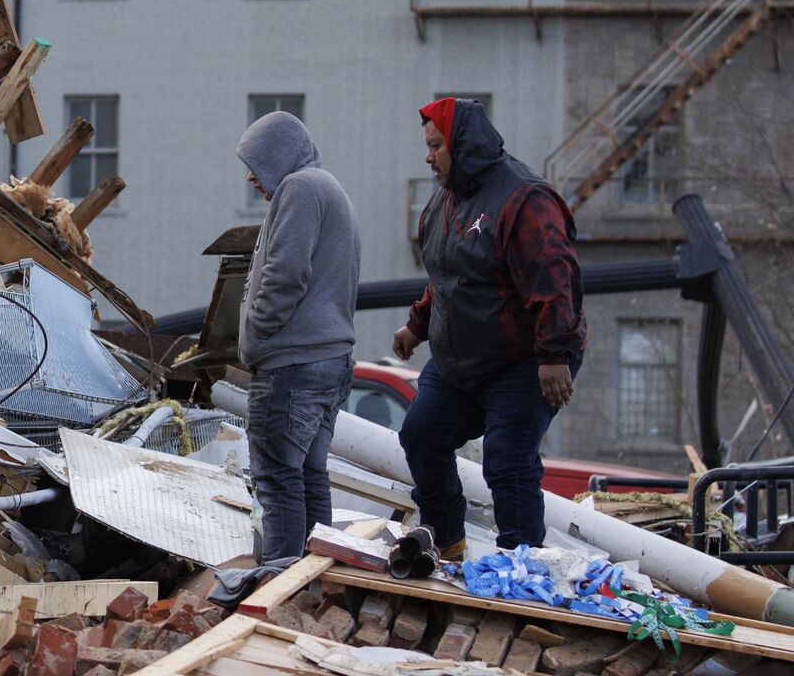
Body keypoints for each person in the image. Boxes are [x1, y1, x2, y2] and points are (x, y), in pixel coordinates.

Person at [394, 97, 585, 558]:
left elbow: (554, 279)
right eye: (427, 146)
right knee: (420, 435)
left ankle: (521, 567)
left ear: (462, 145)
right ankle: (445, 541)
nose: (428, 156)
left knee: (508, 461)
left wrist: (554, 355)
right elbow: (448, 277)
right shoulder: (442, 204)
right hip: (460, 361)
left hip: (524, 359)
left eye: (436, 146)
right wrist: (416, 327)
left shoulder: (524, 200)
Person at [236, 111, 361, 562]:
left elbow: (285, 275)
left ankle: (277, 587)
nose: (252, 176)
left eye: (258, 162)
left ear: (280, 157)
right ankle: (311, 583)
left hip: (293, 366)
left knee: (278, 480)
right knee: (308, 476)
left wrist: (258, 329)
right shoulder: (327, 188)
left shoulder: (300, 188)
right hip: (326, 362)